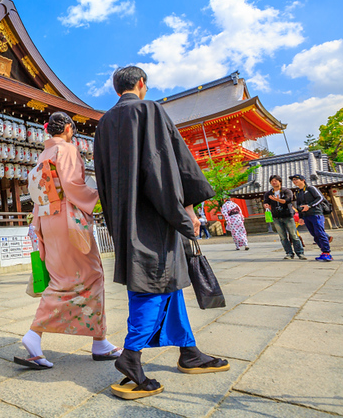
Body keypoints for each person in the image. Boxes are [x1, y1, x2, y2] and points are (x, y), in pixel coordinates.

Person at [93, 66, 229, 400]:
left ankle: (189, 350)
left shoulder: (104, 124)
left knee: (166, 283)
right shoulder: (149, 109)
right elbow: (166, 163)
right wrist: (186, 211)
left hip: (126, 216)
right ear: (141, 85)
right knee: (152, 283)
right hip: (155, 213)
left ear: (116, 89)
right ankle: (131, 355)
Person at [15, 111, 121, 371]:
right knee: (91, 275)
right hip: (67, 218)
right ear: (69, 129)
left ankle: (99, 340)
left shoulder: (43, 155)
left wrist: (36, 224)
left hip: (46, 219)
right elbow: (74, 186)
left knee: (63, 276)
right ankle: (35, 334)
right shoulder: (68, 149)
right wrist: (100, 195)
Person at [263, 175, 305, 260]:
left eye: (275, 180)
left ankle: (300, 253)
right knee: (283, 237)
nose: (274, 182)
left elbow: (287, 201)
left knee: (293, 235)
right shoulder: (268, 193)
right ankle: (289, 253)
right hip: (276, 217)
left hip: (287, 216)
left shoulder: (286, 191)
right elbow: (266, 202)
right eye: (272, 181)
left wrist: (276, 200)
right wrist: (266, 205)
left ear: (280, 181)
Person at [291, 174, 332, 261]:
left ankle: (327, 252)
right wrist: (301, 217)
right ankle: (323, 252)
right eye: (293, 180)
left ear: (303, 180)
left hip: (316, 213)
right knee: (314, 234)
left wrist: (309, 205)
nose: (294, 181)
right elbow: (299, 205)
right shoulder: (297, 192)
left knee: (319, 233)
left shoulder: (311, 188)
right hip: (306, 216)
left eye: (296, 179)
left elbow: (320, 198)